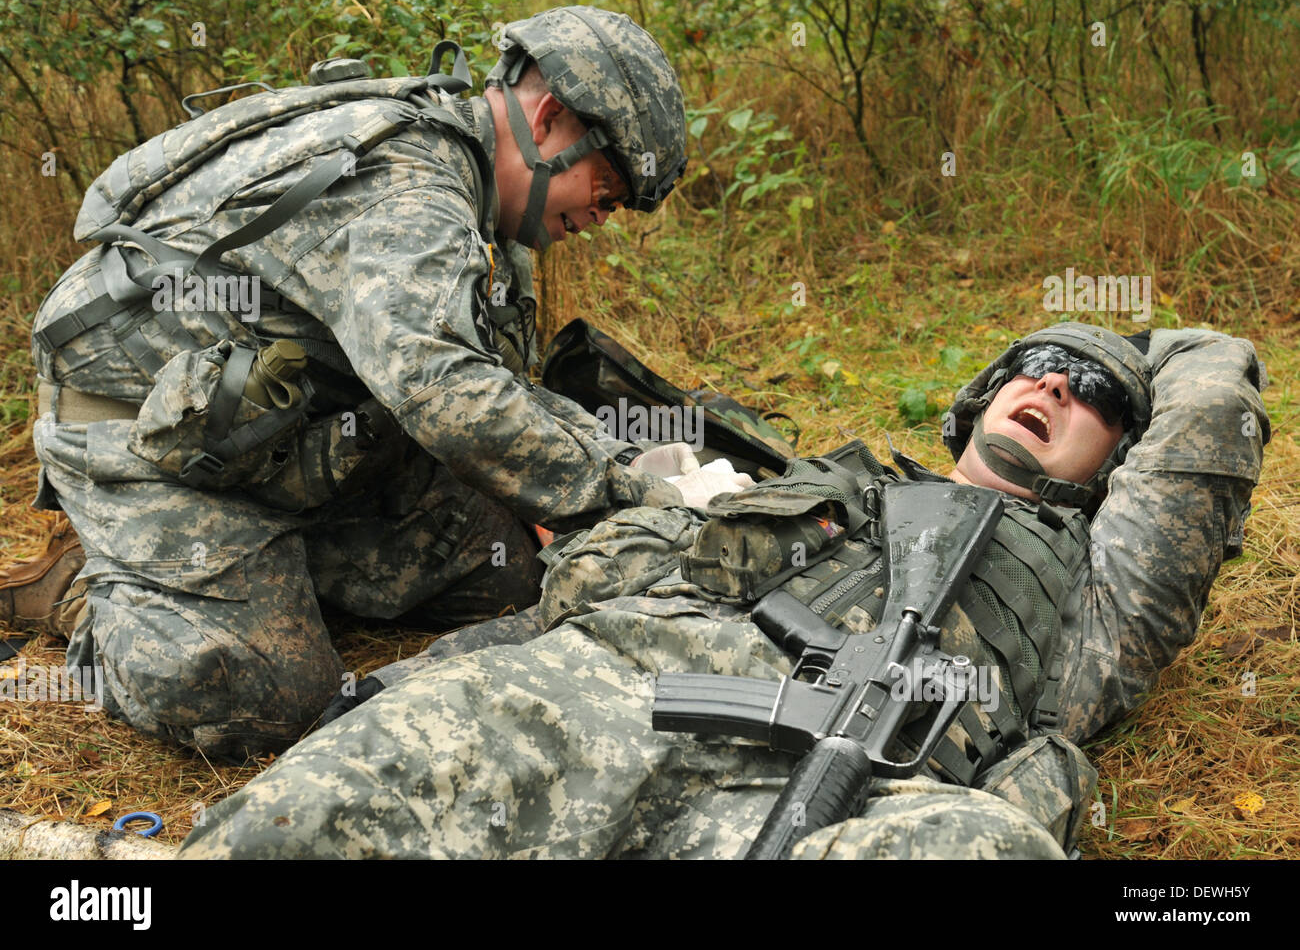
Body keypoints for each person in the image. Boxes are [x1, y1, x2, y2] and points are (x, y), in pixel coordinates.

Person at [177, 322, 1270, 859]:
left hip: (853, 795)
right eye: (1035, 365)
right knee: (312, 813)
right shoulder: (816, 487)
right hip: (625, 697)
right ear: (977, 398)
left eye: (1089, 396)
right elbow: (588, 600)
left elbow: (1216, 389)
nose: (1051, 385)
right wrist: (423, 677)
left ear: (1118, 467)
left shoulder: (1099, 590)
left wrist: (1136, 344)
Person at [1, 6, 751, 761]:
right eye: (609, 185)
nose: (603, 213)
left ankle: (263, 572)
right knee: (258, 692)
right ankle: (98, 591)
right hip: (154, 438)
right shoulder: (407, 186)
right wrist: (636, 493)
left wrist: (620, 459)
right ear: (551, 117)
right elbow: (445, 394)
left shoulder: (479, 201)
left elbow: (491, 383)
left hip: (289, 438)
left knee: (509, 571)